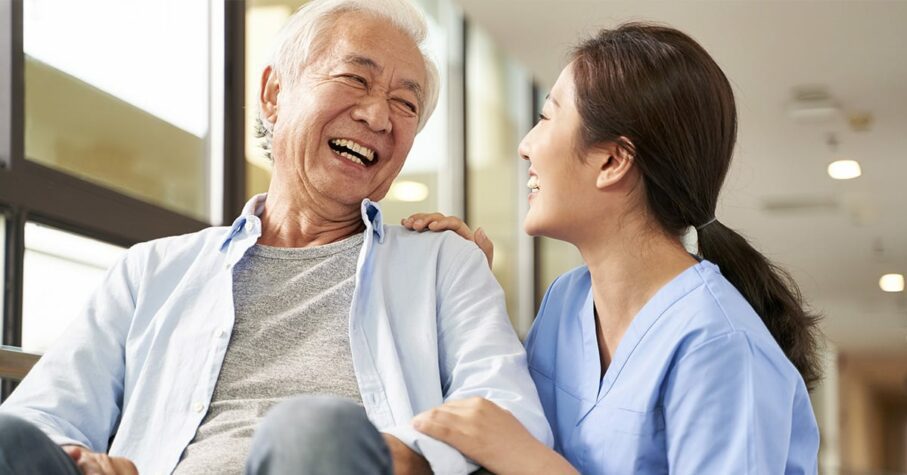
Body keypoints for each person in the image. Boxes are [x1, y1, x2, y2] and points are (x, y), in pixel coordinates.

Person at [0, 1, 552, 474]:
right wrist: (81, 458)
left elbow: (506, 405)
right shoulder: (153, 270)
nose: (379, 115)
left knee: (313, 427)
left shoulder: (442, 262)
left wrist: (401, 456)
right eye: (356, 79)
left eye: (405, 104)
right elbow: (44, 413)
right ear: (274, 94)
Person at [404, 23, 822, 474]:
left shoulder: (720, 345)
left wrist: (533, 465)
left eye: (546, 117)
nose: (526, 146)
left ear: (612, 161)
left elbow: (523, 452)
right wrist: (465, 294)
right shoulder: (567, 302)